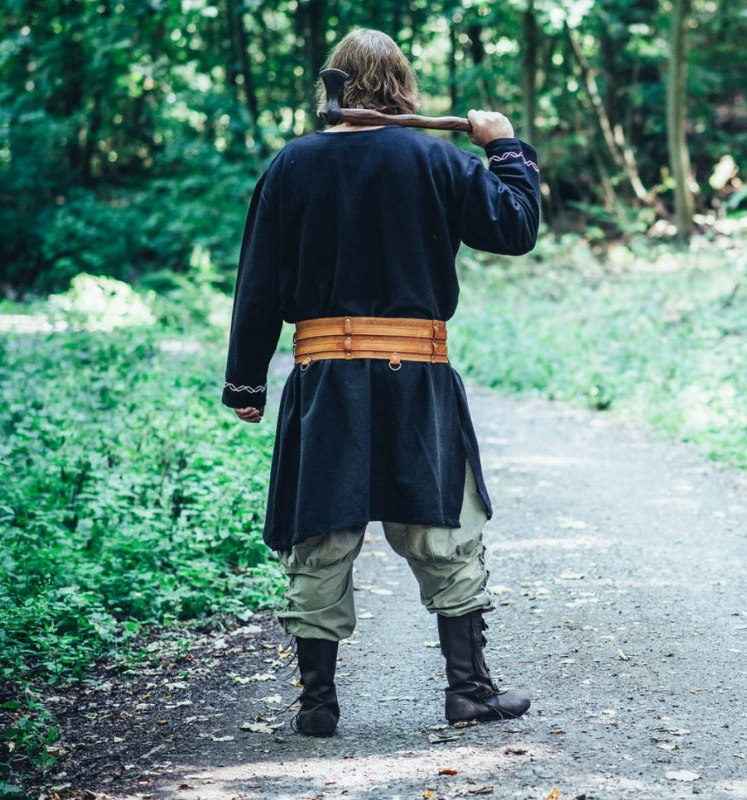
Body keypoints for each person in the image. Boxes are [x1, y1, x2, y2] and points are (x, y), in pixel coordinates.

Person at [222, 28, 540, 737]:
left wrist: (247, 384)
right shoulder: (439, 159)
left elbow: (258, 283)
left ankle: (317, 705)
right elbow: (517, 226)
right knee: (442, 531)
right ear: (402, 85)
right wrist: (506, 147)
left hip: (324, 382)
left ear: (334, 86)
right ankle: (469, 692)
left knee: (319, 534)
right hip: (415, 383)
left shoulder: (292, 165)